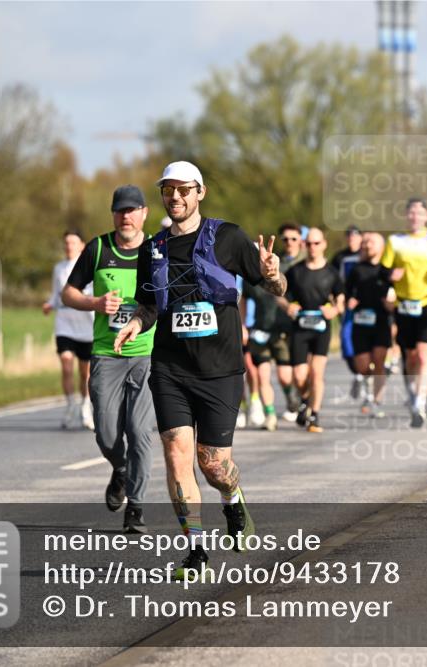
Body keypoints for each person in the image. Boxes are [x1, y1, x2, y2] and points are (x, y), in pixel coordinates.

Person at [115, 161, 286, 578]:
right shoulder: (152, 248)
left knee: (213, 465)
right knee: (177, 458)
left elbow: (276, 289)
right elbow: (150, 304)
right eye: (168, 191)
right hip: (171, 367)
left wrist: (273, 274)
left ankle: (233, 501)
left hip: (221, 369)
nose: (175, 197)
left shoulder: (228, 237)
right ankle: (196, 552)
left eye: (184, 190)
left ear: (200, 193)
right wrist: (136, 322)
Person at [63, 185, 156, 534]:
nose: (126, 216)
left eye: (132, 210)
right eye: (120, 210)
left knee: (140, 432)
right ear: (113, 214)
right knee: (106, 433)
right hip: (106, 354)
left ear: (144, 213)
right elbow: (68, 293)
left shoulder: (155, 251)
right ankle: (119, 469)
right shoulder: (98, 248)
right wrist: (96, 303)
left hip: (147, 354)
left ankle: (137, 506)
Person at [381, 198, 427, 428]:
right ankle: (414, 395)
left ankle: (419, 403)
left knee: (423, 355)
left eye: (419, 213)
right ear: (406, 216)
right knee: (409, 357)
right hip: (404, 305)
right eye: (411, 213)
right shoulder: (396, 241)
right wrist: (391, 278)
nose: (415, 217)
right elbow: (383, 271)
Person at [279, 227, 344, 433]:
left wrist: (333, 310)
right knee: (299, 376)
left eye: (317, 243)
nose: (313, 247)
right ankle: (305, 400)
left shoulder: (332, 273)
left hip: (321, 328)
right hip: (300, 327)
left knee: (316, 372)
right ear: (304, 245)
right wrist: (288, 306)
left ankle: (314, 414)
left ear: (324, 244)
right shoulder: (296, 271)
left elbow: (341, 301)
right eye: (309, 243)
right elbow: (278, 293)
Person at [43, 230, 95, 430]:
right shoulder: (59, 268)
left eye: (73, 243)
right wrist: (49, 304)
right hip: (64, 324)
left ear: (82, 245)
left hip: (85, 325)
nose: (69, 246)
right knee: (65, 363)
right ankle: (70, 405)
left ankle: (85, 407)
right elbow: (56, 294)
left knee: (85, 373)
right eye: (66, 243)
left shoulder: (88, 266)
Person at [346, 232, 395, 417]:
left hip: (381, 321)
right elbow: (347, 291)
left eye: (371, 242)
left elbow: (396, 293)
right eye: (365, 242)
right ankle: (365, 384)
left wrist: (391, 305)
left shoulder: (387, 270)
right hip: (360, 321)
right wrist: (350, 301)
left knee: (379, 362)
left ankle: (377, 401)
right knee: (363, 365)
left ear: (382, 246)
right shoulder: (357, 269)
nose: (367, 245)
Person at [243, 275, 283, 431]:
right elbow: (243, 302)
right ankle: (270, 414)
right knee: (261, 375)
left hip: (281, 332)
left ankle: (295, 400)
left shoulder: (282, 274)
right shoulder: (250, 278)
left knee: (287, 377)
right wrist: (243, 325)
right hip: (259, 333)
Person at [273, 223, 305, 420]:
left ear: (300, 240)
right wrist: (287, 307)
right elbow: (274, 291)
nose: (289, 243)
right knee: (285, 375)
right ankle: (292, 399)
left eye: (294, 239)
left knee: (303, 373)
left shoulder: (309, 260)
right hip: (283, 323)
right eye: (285, 239)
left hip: (307, 325)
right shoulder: (277, 263)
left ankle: (305, 404)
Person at [330, 226, 364, 399]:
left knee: (367, 344)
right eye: (349, 236)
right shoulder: (339, 258)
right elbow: (331, 280)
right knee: (346, 341)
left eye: (355, 236)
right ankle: (358, 374)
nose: (352, 239)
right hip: (347, 306)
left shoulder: (367, 254)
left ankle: (369, 380)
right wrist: (337, 302)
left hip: (366, 306)